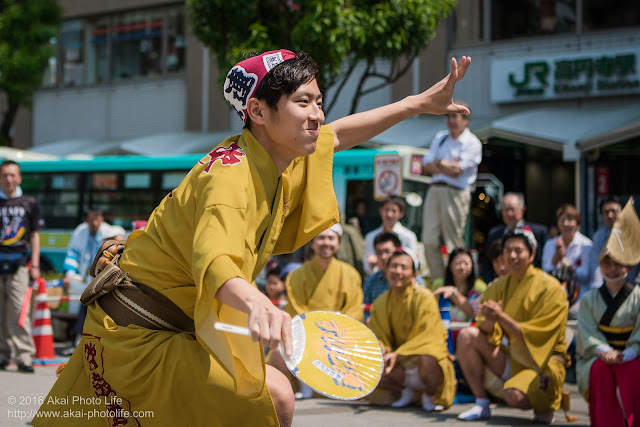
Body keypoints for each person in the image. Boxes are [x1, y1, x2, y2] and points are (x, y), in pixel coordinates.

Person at [34, 50, 471, 426]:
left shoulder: (279, 156)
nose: (318, 114)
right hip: (139, 338)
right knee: (275, 395)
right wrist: (259, 302)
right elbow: (216, 256)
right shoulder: (229, 175)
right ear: (259, 112)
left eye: (318, 101)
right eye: (303, 102)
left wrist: (418, 102)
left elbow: (343, 133)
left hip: (173, 327)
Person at [456, 229, 568, 423]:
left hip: (541, 361)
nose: (512, 256)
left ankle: (544, 405)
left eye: (518, 250)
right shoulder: (497, 287)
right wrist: (490, 322)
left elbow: (540, 336)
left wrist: (501, 317)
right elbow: (484, 329)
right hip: (509, 356)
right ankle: (481, 402)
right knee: (467, 335)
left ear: (532, 254)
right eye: (508, 251)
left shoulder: (550, 288)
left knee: (515, 396)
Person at [577, 198, 640, 427]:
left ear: (629, 266)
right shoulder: (589, 299)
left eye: (618, 264)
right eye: (606, 264)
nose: (612, 270)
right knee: (599, 370)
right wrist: (604, 350)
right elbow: (586, 331)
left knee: (633, 369)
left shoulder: (639, 297)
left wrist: (630, 352)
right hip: (600, 355)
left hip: (633, 354)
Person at [368, 248, 456, 412]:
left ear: (414, 275)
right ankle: (406, 392)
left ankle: (429, 395)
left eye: (404, 267)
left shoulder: (424, 297)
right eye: (393, 266)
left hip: (419, 359)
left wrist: (398, 354)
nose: (398, 271)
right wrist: (383, 349)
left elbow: (430, 336)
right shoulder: (379, 303)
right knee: (367, 366)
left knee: (430, 356)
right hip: (398, 364)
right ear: (386, 270)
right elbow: (377, 334)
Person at [421, 102, 482, 281]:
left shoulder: (472, 143)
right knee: (429, 240)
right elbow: (426, 165)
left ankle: (460, 282)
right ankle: (440, 280)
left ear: (466, 120)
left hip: (456, 192)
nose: (450, 120)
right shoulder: (440, 137)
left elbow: (457, 171)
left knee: (453, 241)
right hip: (435, 190)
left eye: (455, 116)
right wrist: (445, 165)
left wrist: (438, 164)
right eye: (448, 116)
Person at [0, 160, 41, 373]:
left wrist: (35, 263)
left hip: (20, 264)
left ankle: (25, 356)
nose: (8, 179)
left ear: (19, 178)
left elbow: (34, 235)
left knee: (19, 311)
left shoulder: (29, 203)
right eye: (4, 175)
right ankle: (2, 355)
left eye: (12, 175)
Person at [61, 210, 113, 343]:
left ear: (102, 219)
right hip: (84, 278)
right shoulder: (81, 231)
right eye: (91, 219)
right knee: (85, 305)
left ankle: (81, 338)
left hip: (101, 279)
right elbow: (73, 254)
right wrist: (69, 274)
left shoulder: (109, 232)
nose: (94, 223)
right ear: (87, 220)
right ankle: (81, 339)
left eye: (97, 219)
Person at [483, 192, 548, 282]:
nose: (509, 213)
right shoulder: (494, 234)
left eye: (512, 209)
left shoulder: (539, 232)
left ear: (523, 209)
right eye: (505, 210)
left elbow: (543, 261)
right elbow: (487, 263)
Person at [362, 232, 426, 321]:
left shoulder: (415, 280)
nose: (383, 257)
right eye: (379, 253)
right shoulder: (370, 281)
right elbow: (364, 310)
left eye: (387, 252)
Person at [542, 203, 593, 305]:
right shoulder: (550, 244)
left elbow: (585, 275)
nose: (565, 224)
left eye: (569, 220)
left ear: (577, 223)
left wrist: (566, 262)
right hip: (555, 295)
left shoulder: (586, 245)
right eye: (562, 220)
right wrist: (556, 256)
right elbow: (545, 273)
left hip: (580, 297)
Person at [431, 248, 487, 331]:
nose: (462, 267)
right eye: (458, 263)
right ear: (450, 265)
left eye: (466, 263)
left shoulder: (480, 287)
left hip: (469, 335)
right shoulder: (439, 285)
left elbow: (479, 316)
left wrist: (454, 293)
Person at [363, 196, 418, 275]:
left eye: (394, 211)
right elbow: (367, 267)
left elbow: (413, 265)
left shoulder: (409, 237)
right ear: (380, 211)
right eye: (386, 210)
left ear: (401, 213)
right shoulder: (370, 237)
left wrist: (378, 262)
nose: (389, 214)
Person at [589, 197, 623, 288]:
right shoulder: (598, 237)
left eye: (614, 211)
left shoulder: (634, 234)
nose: (610, 215)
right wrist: (597, 291)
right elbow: (596, 265)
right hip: (606, 287)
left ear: (622, 212)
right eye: (606, 212)